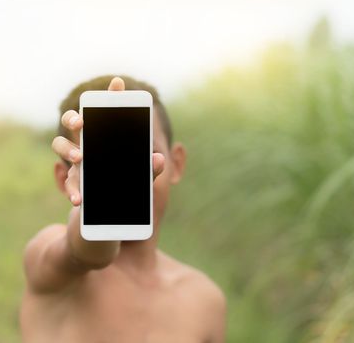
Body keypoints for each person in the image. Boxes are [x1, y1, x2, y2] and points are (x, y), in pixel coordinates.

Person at [21, 75, 226, 342]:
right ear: (65, 178)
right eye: (96, 160)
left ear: (176, 163)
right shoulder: (51, 265)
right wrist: (100, 197)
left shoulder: (205, 301)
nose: (122, 171)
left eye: (139, 154)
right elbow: (86, 253)